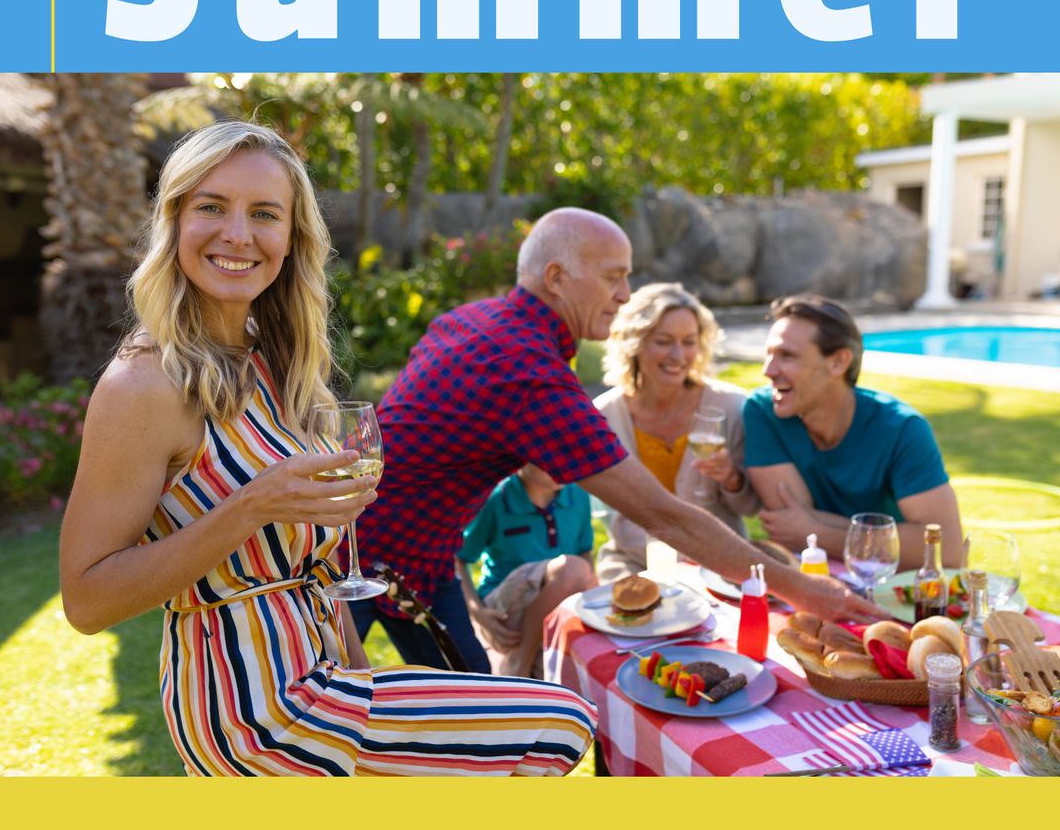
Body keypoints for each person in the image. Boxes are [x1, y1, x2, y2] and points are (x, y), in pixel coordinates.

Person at [59, 121, 595, 777]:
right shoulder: (143, 383)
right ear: (173, 222)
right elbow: (86, 601)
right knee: (558, 725)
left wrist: (363, 677)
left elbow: (322, 573)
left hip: (322, 678)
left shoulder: (267, 360)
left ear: (290, 238)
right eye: (211, 207)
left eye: (263, 213)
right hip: (249, 709)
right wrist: (252, 506)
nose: (238, 233)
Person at [351, 207, 886, 668]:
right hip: (347, 557)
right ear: (557, 277)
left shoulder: (477, 320)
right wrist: (804, 589)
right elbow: (663, 514)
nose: (625, 295)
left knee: (465, 714)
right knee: (335, 735)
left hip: (417, 557)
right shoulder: (525, 367)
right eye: (613, 277)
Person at [744, 294, 963, 569]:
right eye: (769, 354)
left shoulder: (902, 429)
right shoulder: (763, 412)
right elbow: (787, 522)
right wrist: (885, 536)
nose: (768, 370)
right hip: (807, 581)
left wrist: (818, 533)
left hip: (889, 591)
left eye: (787, 356)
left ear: (838, 362)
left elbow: (947, 551)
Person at [594, 282, 759, 582]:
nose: (678, 354)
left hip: (719, 568)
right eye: (664, 341)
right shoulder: (604, 415)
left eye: (689, 341)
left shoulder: (732, 406)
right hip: (632, 566)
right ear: (636, 342)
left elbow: (748, 508)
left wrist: (731, 478)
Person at [457, 463, 598, 679]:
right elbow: (458, 558)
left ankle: (535, 664)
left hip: (556, 607)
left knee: (564, 679)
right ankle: (519, 660)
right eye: (548, 457)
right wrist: (477, 613)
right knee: (573, 569)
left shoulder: (577, 494)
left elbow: (584, 552)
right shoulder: (496, 499)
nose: (561, 464)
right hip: (508, 611)